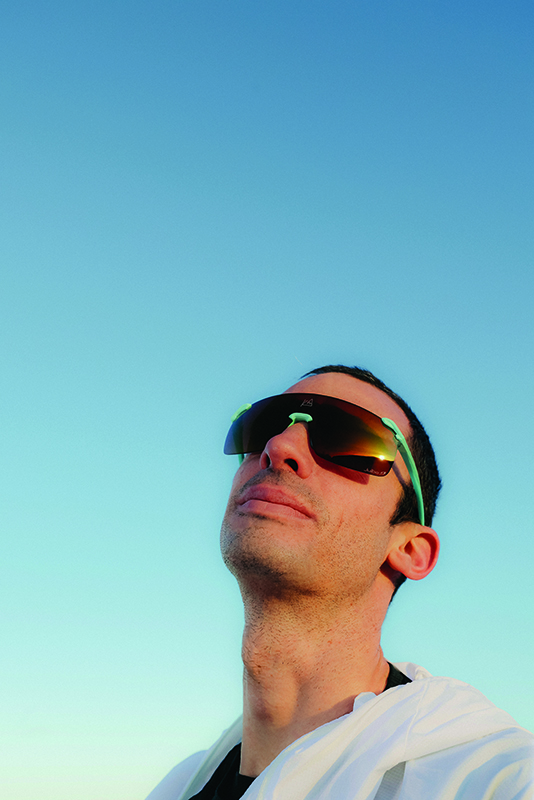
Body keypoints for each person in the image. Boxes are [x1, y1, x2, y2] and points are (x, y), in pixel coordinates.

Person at [146, 364, 534, 800]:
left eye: (346, 436)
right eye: (264, 427)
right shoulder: (178, 786)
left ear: (411, 549)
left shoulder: (497, 780)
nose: (280, 446)